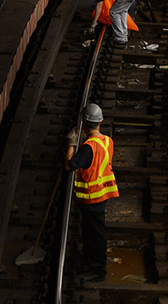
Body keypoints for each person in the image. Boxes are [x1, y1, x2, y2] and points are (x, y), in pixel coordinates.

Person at [64, 103, 119, 283]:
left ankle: (97, 270)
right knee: (95, 233)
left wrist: (71, 144)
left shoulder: (88, 147)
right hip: (101, 194)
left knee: (94, 235)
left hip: (91, 198)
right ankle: (93, 263)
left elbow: (69, 165)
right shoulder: (107, 140)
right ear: (100, 122)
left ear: (84, 124)